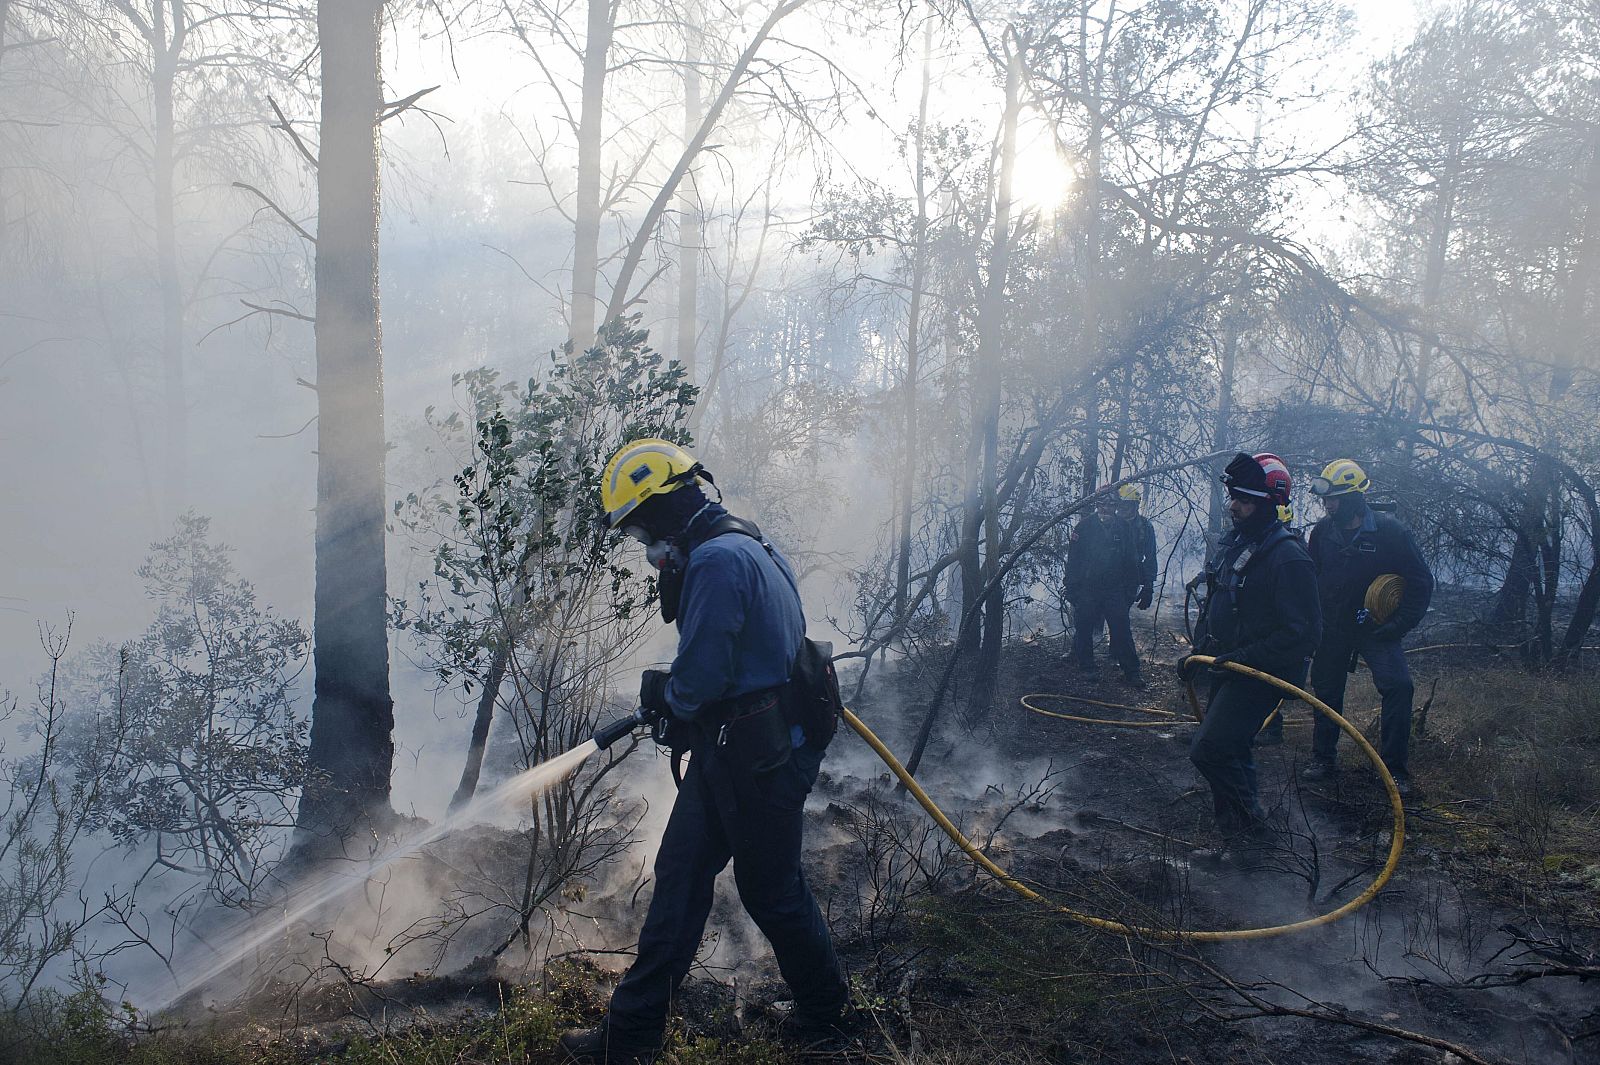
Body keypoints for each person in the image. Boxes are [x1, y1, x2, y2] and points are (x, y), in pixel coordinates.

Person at [558, 439, 849, 1065]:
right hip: (746, 753)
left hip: (754, 761)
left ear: (663, 509)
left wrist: (667, 691)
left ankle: (830, 1017)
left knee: (768, 890)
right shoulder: (752, 545)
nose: (646, 548)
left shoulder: (716, 563)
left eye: (642, 531)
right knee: (685, 880)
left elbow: (700, 682)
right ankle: (630, 1037)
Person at [1181, 453, 1322, 852]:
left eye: (1242, 499)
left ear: (1267, 503)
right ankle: (1239, 846)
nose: (1233, 506)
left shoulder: (1288, 557)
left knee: (1209, 751)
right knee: (1232, 751)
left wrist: (1247, 658)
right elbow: (1219, 609)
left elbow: (1305, 634)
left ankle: (1256, 842)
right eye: (1232, 497)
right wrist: (1197, 654)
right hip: (1229, 667)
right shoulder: (1239, 544)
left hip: (1263, 673)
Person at [1301, 459, 1433, 796]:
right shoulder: (1321, 533)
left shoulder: (1391, 532)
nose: (1329, 505)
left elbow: (1420, 581)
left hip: (1377, 629)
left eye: (1336, 499)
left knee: (1399, 687)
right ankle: (1322, 759)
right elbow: (1311, 577)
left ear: (1355, 498)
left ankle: (1394, 772)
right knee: (1327, 690)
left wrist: (1399, 624)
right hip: (1333, 629)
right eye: (1327, 500)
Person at [1064, 484, 1157, 687]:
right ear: (1096, 504)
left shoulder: (1124, 528)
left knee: (1121, 629)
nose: (1106, 509)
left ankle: (1132, 672)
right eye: (1101, 504)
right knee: (1084, 626)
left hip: (1114, 589)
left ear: (1116, 505)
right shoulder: (1084, 527)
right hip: (1089, 588)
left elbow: (1131, 561)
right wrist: (1072, 588)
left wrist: (1132, 589)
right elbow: (1074, 561)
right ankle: (1087, 667)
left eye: (1110, 505)